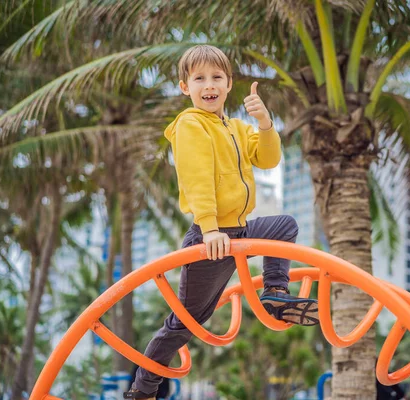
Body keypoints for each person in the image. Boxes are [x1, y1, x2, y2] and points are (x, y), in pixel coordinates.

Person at [124, 45, 319, 399]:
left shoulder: (238, 129)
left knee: (284, 225)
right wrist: (210, 227)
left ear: (229, 84)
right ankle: (142, 390)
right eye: (199, 78)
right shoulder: (190, 124)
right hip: (209, 239)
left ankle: (275, 294)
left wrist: (265, 123)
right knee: (187, 322)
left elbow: (268, 158)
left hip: (240, 231)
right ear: (185, 87)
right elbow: (197, 178)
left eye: (216, 77)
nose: (209, 84)